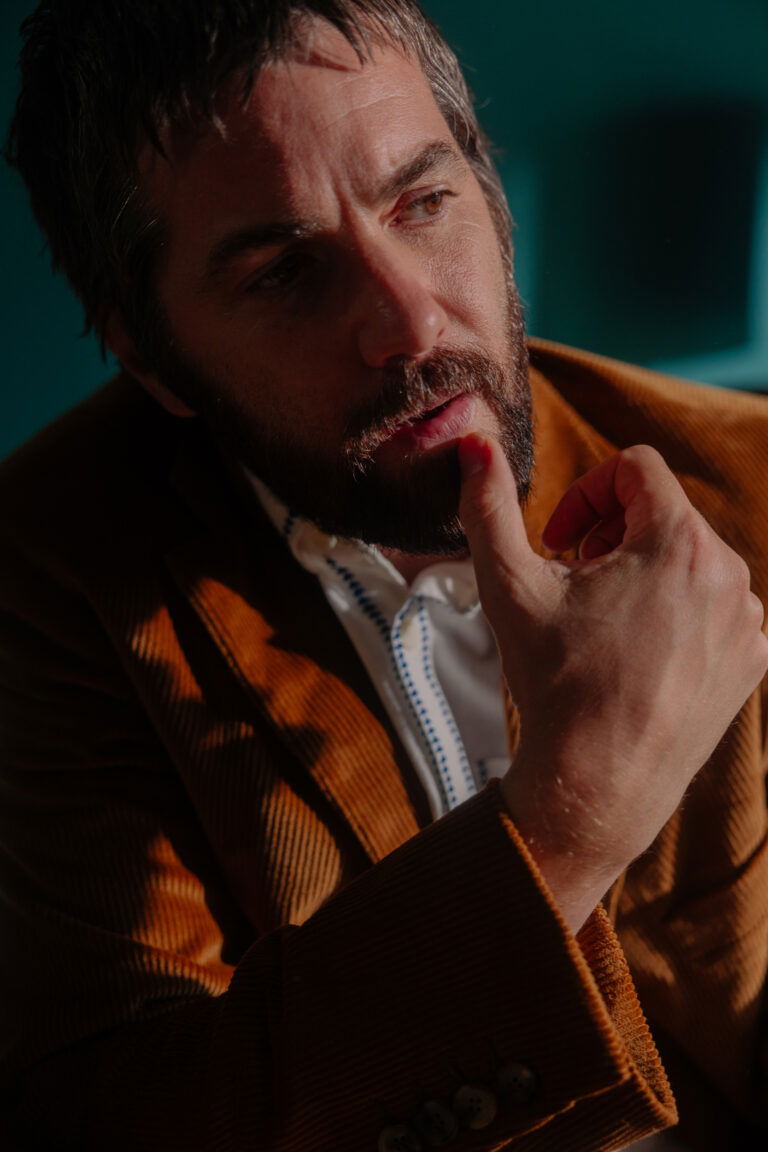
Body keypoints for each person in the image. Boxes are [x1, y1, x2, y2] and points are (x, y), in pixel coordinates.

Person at [1, 1, 767, 1149]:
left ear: (489, 189)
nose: (409, 321)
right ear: (151, 357)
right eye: (285, 273)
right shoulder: (46, 580)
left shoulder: (747, 483)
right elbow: (118, 1114)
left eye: (422, 202)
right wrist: (570, 820)